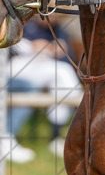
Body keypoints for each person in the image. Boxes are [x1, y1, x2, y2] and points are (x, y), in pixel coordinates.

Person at [5, 17, 82, 162]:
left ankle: (57, 136)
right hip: (15, 67)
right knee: (37, 84)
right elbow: (9, 46)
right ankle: (7, 136)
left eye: (53, 14)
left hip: (41, 68)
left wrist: (58, 51)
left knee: (64, 75)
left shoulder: (59, 30)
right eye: (47, 12)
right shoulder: (27, 23)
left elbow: (68, 59)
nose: (50, 17)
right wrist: (32, 47)